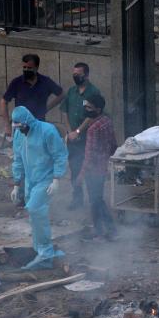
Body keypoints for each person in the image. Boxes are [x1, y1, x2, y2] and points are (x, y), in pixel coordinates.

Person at [10, 106, 68, 270]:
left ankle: (46, 252)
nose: (19, 130)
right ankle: (41, 250)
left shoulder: (47, 131)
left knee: (36, 209)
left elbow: (60, 155)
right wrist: (16, 184)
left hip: (46, 178)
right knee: (34, 215)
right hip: (30, 181)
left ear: (27, 121)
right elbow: (18, 159)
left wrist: (56, 179)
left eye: (21, 126)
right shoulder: (18, 135)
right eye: (16, 127)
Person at [76, 93, 117, 239]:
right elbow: (113, 144)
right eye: (85, 106)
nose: (86, 109)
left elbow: (89, 155)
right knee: (98, 199)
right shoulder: (107, 121)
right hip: (103, 166)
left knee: (95, 201)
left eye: (89, 107)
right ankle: (108, 229)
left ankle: (101, 230)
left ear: (98, 109)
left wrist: (81, 175)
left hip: (93, 171)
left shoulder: (93, 129)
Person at [60, 62, 101, 210]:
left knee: (89, 171)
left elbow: (92, 116)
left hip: (87, 140)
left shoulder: (93, 92)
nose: (76, 77)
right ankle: (77, 199)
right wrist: (70, 131)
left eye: (79, 74)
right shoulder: (71, 92)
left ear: (87, 75)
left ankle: (93, 202)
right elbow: (64, 111)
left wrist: (78, 131)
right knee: (74, 170)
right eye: (74, 74)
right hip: (73, 140)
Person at [1, 53, 65, 135]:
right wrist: (7, 125)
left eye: (29, 68)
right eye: (24, 67)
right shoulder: (16, 82)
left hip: (38, 124)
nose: (26, 70)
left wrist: (47, 108)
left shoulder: (45, 81)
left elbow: (62, 94)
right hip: (20, 126)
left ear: (36, 68)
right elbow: (3, 101)